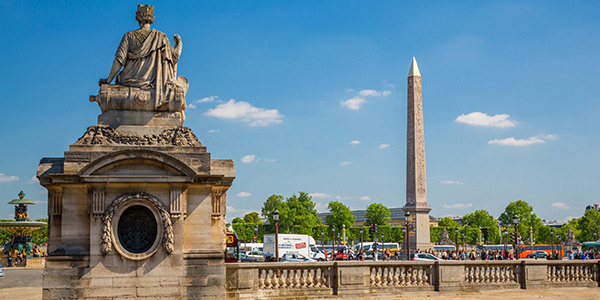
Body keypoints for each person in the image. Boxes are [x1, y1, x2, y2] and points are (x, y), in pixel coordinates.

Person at [99, 4, 187, 109]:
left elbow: (118, 61)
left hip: (129, 82)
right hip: (155, 87)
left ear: (138, 19)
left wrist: (108, 80)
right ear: (151, 19)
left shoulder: (129, 36)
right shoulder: (161, 37)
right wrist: (179, 44)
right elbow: (174, 58)